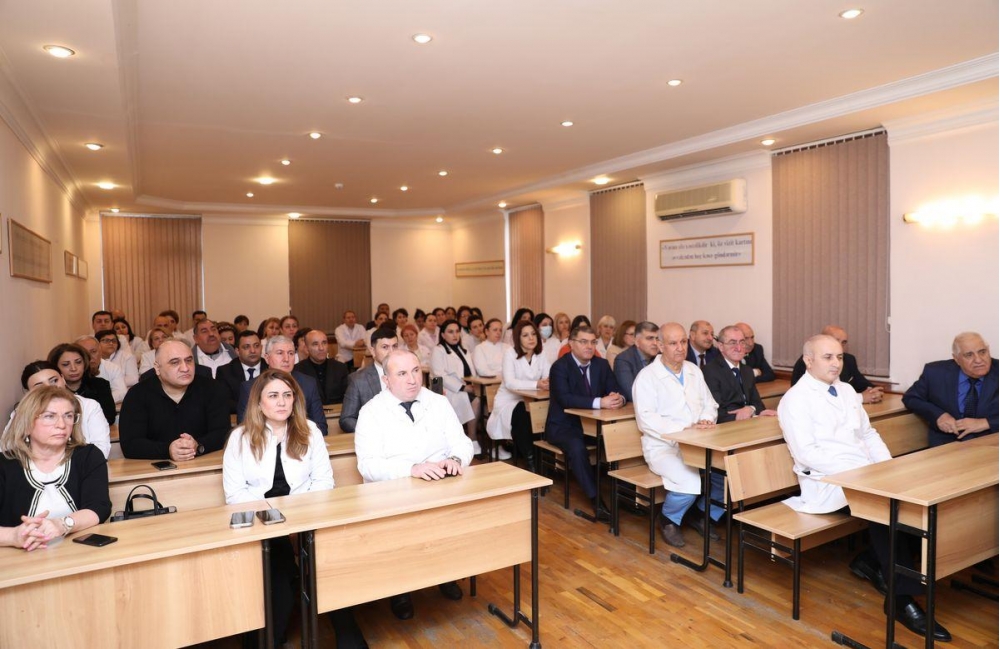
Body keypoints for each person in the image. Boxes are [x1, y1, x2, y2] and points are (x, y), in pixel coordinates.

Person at [779, 334, 950, 642]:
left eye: (839, 357)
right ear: (808, 360)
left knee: (918, 502)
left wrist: (886, 468)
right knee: (888, 510)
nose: (836, 363)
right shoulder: (795, 399)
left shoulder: (846, 390)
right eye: (828, 357)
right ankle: (900, 600)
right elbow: (807, 454)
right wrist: (862, 475)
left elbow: (868, 434)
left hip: (866, 473)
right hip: (828, 481)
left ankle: (872, 562)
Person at [223, 370, 367, 648]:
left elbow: (324, 482)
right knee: (280, 577)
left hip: (307, 515)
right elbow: (235, 494)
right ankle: (270, 639)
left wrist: (296, 514)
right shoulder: (239, 438)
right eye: (273, 396)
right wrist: (277, 516)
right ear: (258, 403)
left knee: (327, 567)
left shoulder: (310, 431)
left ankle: (350, 639)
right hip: (262, 523)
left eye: (287, 395)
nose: (282, 402)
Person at [354, 349, 474, 621]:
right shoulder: (371, 412)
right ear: (386, 380)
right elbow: (368, 465)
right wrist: (410, 469)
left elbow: (462, 442)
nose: (412, 379)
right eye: (402, 373)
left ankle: (445, 575)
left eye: (416, 370)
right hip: (394, 494)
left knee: (447, 526)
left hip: (438, 488)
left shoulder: (438, 402)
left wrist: (456, 459)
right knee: (402, 536)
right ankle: (401, 591)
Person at [632, 323, 720, 547]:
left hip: (697, 442)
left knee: (723, 473)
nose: (680, 348)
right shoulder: (647, 377)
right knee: (689, 480)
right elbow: (646, 419)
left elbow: (709, 403)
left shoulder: (693, 370)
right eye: (673, 343)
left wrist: (706, 419)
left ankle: (698, 514)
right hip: (663, 447)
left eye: (683, 342)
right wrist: (683, 430)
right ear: (660, 346)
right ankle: (668, 519)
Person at [0, 386, 111, 551]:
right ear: (27, 423)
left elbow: (98, 507)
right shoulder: (5, 464)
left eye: (68, 416)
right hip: (19, 558)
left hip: (80, 552)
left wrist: (62, 524)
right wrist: (14, 536)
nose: (62, 424)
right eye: (49, 416)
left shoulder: (88, 456)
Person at [545, 325, 624, 520]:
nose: (589, 346)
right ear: (571, 344)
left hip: (594, 426)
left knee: (622, 441)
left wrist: (618, 399)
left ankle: (628, 496)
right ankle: (596, 501)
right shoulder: (560, 367)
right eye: (583, 342)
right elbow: (565, 398)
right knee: (577, 448)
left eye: (593, 342)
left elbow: (615, 389)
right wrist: (600, 402)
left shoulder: (601, 365)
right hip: (564, 426)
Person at [118, 340, 230, 460]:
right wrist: (167, 450)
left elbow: (223, 433)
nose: (185, 368)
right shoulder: (137, 395)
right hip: (154, 467)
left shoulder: (213, 389)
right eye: (175, 362)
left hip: (204, 462)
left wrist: (198, 445)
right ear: (157, 368)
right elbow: (130, 444)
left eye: (189, 360)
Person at [903, 331, 998, 447]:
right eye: (969, 355)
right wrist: (938, 415)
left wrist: (986, 423)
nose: (978, 360)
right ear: (956, 359)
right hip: (946, 444)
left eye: (982, 352)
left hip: (990, 444)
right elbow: (911, 398)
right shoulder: (935, 373)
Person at [5, 361, 112, 459]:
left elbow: (102, 448)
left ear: (63, 379)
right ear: (28, 392)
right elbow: (6, 449)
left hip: (83, 469)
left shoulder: (89, 406)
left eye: (54, 381)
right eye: (40, 386)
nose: (50, 388)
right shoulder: (22, 412)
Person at [487, 320, 551, 464]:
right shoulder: (510, 354)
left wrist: (547, 382)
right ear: (518, 338)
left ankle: (544, 460)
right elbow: (510, 382)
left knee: (542, 413)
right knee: (523, 413)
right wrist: (537, 384)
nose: (531, 338)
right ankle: (531, 460)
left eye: (533, 334)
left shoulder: (541, 353)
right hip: (509, 401)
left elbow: (548, 375)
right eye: (525, 335)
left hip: (532, 399)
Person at [237, 336, 328, 435]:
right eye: (280, 353)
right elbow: (245, 429)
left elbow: (321, 427)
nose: (286, 359)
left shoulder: (308, 383)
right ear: (267, 358)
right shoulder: (249, 387)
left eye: (291, 353)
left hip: (302, 441)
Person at [702, 325, 777, 423]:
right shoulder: (710, 371)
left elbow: (758, 404)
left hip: (749, 423)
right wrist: (746, 415)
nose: (739, 348)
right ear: (721, 346)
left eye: (742, 342)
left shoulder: (747, 370)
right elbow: (716, 412)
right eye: (732, 343)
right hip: (727, 426)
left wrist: (751, 409)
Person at [790, 325, 883, 404]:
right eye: (836, 340)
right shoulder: (809, 362)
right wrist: (860, 398)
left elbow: (860, 382)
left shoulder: (849, 359)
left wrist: (873, 392)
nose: (839, 345)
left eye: (843, 342)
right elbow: (816, 398)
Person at [430, 319, 481, 454]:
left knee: (478, 399)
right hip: (447, 390)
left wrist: (472, 384)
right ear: (443, 335)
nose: (455, 335)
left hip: (467, 387)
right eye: (450, 332)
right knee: (475, 401)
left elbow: (472, 371)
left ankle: (470, 439)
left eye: (457, 331)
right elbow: (439, 374)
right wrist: (463, 388)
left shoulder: (464, 350)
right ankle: (472, 439)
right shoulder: (438, 350)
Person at [339, 328, 399, 432]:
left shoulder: (409, 375)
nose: (391, 352)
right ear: (372, 351)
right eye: (385, 347)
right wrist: (372, 431)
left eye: (395, 346)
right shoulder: (358, 380)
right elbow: (347, 419)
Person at [47, 342, 116, 425]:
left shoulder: (100, 385)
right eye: (66, 364)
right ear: (55, 367)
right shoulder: (52, 389)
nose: (73, 368)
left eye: (78, 362)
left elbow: (109, 418)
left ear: (85, 363)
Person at [216, 330, 268, 414]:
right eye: (246, 347)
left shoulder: (270, 368)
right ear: (237, 351)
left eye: (256, 346)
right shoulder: (225, 372)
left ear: (261, 348)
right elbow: (224, 401)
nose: (253, 350)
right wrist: (255, 409)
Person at [295, 330, 350, 405]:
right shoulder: (298, 370)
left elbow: (347, 397)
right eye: (315, 344)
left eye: (324, 343)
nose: (321, 348)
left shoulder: (340, 368)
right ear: (307, 348)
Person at [613, 321, 660, 402]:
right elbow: (632, 394)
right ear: (637, 342)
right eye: (650, 338)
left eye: (657, 339)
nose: (655, 343)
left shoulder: (661, 357)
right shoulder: (623, 360)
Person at [77, 335, 127, 403]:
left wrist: (97, 401)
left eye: (93, 351)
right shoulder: (73, 371)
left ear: (100, 352)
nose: (90, 357)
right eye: (84, 353)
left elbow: (121, 392)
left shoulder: (112, 368)